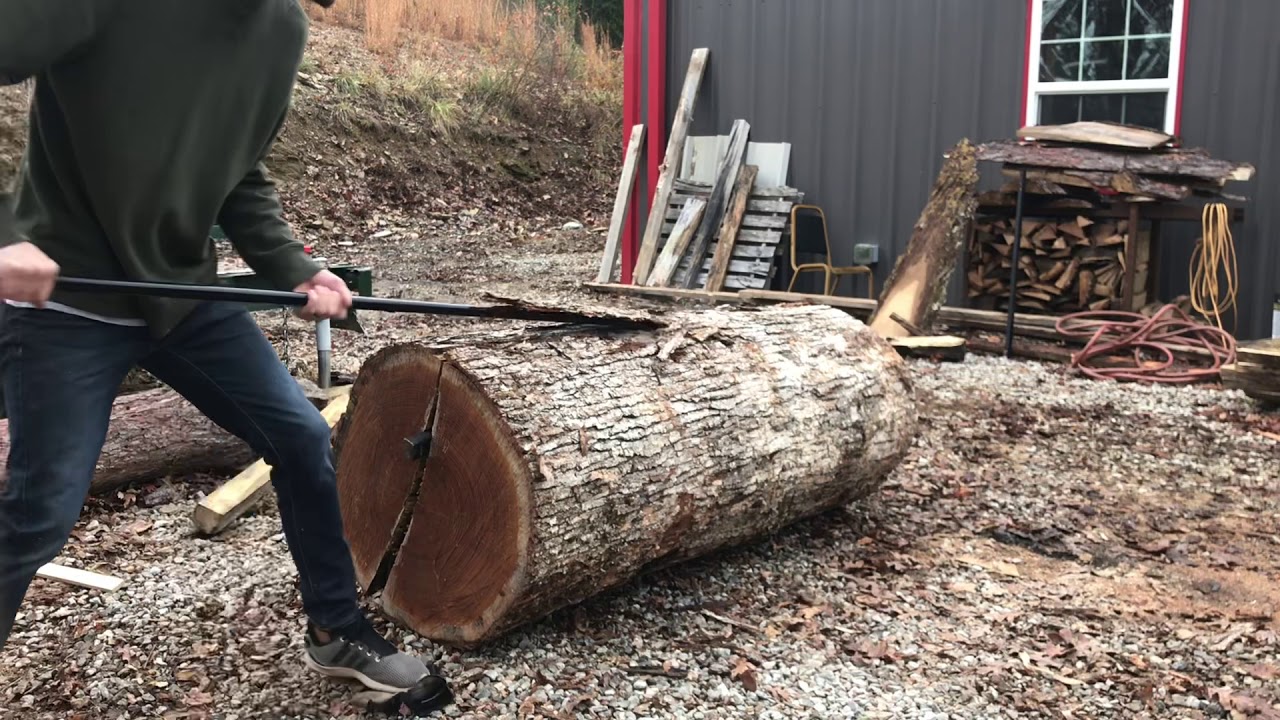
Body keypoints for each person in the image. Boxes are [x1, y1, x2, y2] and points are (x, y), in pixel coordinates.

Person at [0, 0, 450, 705]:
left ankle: (336, 630)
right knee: (41, 512)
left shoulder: (281, 29)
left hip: (182, 298)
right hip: (65, 304)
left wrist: (292, 268)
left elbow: (240, 172)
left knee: (301, 436)